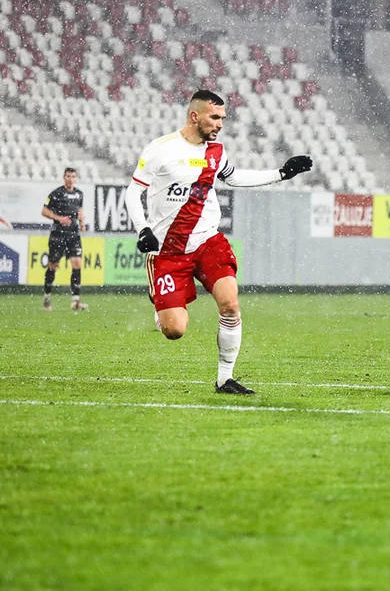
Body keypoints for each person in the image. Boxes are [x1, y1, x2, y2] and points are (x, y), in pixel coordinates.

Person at [124, 89, 313, 394]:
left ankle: (225, 379)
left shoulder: (216, 152)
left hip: (208, 241)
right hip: (169, 251)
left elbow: (233, 177)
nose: (220, 124)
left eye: (223, 118)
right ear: (194, 116)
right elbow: (133, 192)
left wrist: (280, 173)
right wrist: (142, 229)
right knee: (174, 330)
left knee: (230, 304)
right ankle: (160, 303)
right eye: (215, 117)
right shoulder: (160, 149)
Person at [41, 167, 88, 311]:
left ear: (75, 178)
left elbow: (79, 209)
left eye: (73, 176)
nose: (70, 179)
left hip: (73, 234)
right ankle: (47, 299)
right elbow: (44, 211)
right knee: (53, 265)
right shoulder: (56, 194)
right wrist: (58, 218)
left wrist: (82, 222)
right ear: (64, 177)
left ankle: (75, 301)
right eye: (68, 176)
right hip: (58, 234)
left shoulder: (79, 194)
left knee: (77, 263)